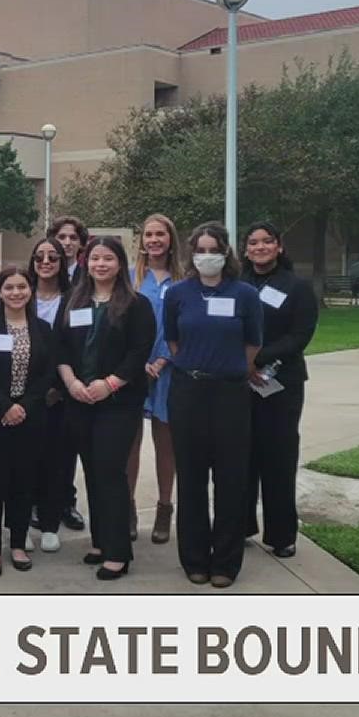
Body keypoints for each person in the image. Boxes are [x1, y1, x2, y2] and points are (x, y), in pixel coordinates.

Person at [162, 222, 263, 587]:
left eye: (213, 249)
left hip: (230, 394)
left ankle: (225, 561)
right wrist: (196, 364)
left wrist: (229, 367)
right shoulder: (177, 294)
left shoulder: (245, 294)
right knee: (191, 477)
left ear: (226, 252)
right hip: (188, 391)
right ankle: (194, 558)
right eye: (200, 250)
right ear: (192, 254)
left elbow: (253, 344)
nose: (207, 256)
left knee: (230, 478)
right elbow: (173, 341)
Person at [53, 236, 157, 581]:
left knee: (111, 473)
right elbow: (60, 348)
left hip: (118, 402)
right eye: (95, 258)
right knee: (92, 473)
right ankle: (99, 542)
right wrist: (72, 384)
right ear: (86, 262)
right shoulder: (73, 300)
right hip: (79, 399)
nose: (100, 264)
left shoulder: (136, 304)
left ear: (119, 264)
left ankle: (117, 553)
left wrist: (109, 384)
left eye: (108, 258)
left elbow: (138, 352)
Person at [0, 266, 58, 577]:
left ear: (30, 291)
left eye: (22, 287)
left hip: (31, 417)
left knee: (24, 483)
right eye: (9, 287)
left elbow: (48, 373)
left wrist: (24, 406)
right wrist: (5, 406)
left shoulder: (44, 329)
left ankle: (18, 544)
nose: (16, 293)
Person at [241, 220, 319, 559]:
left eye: (266, 241)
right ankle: (241, 524)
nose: (260, 247)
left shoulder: (296, 286)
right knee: (241, 456)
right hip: (240, 383)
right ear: (245, 249)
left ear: (279, 247)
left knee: (279, 457)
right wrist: (244, 365)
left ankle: (282, 534)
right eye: (253, 242)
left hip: (281, 384)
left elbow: (300, 335)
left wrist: (260, 358)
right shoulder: (236, 284)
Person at [27, 236, 83, 550]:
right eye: (39, 257)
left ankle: (53, 517)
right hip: (26, 393)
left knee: (59, 459)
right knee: (27, 458)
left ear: (63, 263)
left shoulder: (76, 298)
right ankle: (28, 514)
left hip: (62, 392)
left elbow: (77, 347)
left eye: (53, 257)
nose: (46, 263)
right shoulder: (21, 294)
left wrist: (60, 387)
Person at [132, 213, 183, 545]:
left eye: (160, 234)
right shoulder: (130, 278)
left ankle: (164, 508)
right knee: (129, 446)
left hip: (171, 370)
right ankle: (127, 510)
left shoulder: (184, 280)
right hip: (134, 371)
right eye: (148, 234)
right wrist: (138, 362)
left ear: (170, 239)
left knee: (166, 446)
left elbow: (188, 325)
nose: (153, 240)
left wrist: (165, 357)